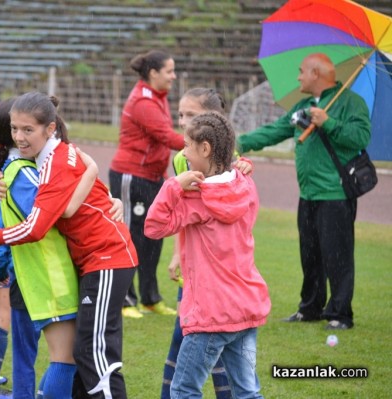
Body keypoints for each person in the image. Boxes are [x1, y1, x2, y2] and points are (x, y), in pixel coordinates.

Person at [0, 91, 138, 399]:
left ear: (49, 129)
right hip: (67, 268)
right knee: (77, 354)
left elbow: (40, 225)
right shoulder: (49, 158)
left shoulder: (49, 164)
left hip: (94, 261)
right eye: (15, 129)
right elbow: (68, 205)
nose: (20, 136)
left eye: (28, 130)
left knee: (88, 356)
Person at [236, 53, 371, 330]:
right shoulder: (303, 105)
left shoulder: (350, 103)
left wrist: (328, 122)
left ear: (316, 73)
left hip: (335, 195)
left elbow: (359, 138)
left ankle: (340, 314)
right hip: (308, 193)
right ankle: (310, 307)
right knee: (309, 253)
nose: (298, 77)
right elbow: (275, 131)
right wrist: (237, 142)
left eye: (301, 72)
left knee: (338, 256)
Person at [145, 111, 271, 399]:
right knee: (247, 392)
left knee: (184, 390)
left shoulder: (196, 197)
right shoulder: (245, 184)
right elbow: (239, 179)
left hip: (212, 314)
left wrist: (173, 185)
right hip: (246, 307)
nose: (183, 152)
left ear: (205, 149)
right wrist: (243, 166)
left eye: (187, 145)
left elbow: (153, 227)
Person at [160, 88, 242, 399]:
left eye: (191, 116)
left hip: (221, 268)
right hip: (193, 267)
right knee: (185, 334)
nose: (183, 122)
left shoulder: (232, 165)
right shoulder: (182, 159)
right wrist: (177, 254)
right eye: (180, 115)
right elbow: (184, 214)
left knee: (211, 338)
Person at [109, 49, 183, 318]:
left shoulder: (158, 97)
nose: (174, 76)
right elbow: (166, 136)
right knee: (129, 237)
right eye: (170, 71)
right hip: (131, 177)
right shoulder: (143, 101)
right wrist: (205, 143)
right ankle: (126, 300)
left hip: (153, 178)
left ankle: (151, 298)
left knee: (153, 236)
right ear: (153, 73)